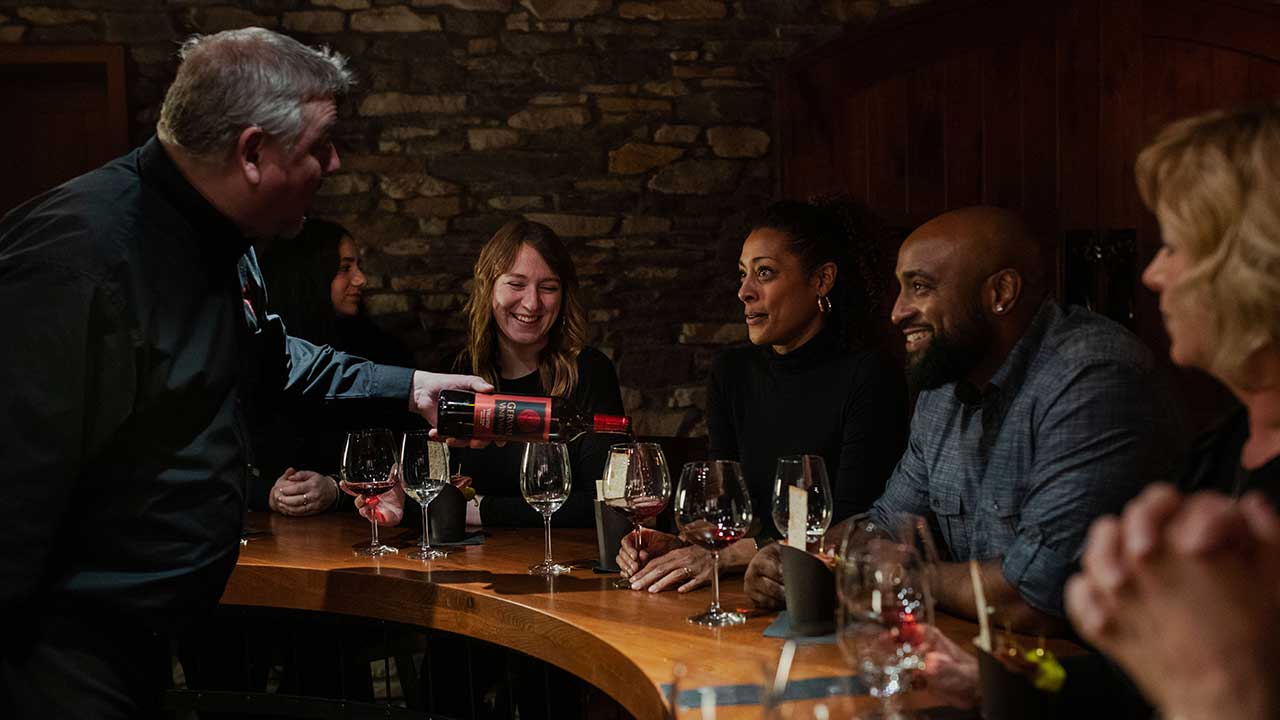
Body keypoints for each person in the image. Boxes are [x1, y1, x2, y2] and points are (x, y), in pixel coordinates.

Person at [0, 27, 489, 718]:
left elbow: (270, 355)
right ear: (253, 152)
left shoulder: (227, 240)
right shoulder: (79, 259)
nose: (335, 163)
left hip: (140, 643)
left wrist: (413, 388)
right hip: (56, 657)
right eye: (320, 145)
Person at [744, 206, 1175, 630]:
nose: (898, 312)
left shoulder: (1092, 377)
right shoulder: (944, 388)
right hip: (984, 658)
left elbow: (1033, 597)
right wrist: (800, 556)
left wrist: (904, 576)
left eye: (920, 287)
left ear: (1000, 293)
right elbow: (887, 523)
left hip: (1088, 670)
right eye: (900, 288)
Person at [1064, 103, 1280, 719]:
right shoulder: (1223, 446)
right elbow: (1136, 681)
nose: (1154, 275)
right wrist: (999, 678)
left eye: (1175, 247)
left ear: (1256, 266)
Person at [620, 199, 908, 595]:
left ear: (822, 280)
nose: (744, 292)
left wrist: (735, 553)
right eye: (742, 274)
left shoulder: (870, 375)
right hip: (745, 587)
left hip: (824, 595)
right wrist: (683, 546)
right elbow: (721, 507)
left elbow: (852, 523)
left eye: (765, 273)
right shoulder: (732, 372)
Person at [367, 220, 626, 529]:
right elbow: (426, 489)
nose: (532, 303)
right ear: (488, 287)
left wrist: (481, 510)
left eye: (548, 287)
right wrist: (398, 506)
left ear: (564, 295)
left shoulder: (590, 371)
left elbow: (607, 502)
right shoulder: (454, 373)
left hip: (563, 555)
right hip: (469, 558)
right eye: (516, 284)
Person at [252, 218, 421, 517]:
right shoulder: (263, 353)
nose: (361, 279)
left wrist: (336, 489)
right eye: (345, 268)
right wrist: (269, 492)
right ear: (309, 273)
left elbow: (403, 463)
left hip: (363, 527)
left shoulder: (383, 354)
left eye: (358, 266)